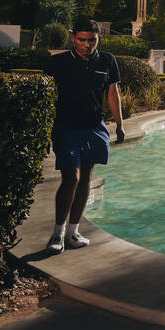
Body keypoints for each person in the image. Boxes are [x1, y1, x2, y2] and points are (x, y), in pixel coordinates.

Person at [43, 19, 123, 253]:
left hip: (94, 127)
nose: (86, 44)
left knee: (87, 177)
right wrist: (44, 130)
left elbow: (112, 93)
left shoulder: (108, 61)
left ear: (99, 38)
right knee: (71, 178)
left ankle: (73, 231)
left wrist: (119, 123)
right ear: (72, 37)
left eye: (92, 40)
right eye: (81, 40)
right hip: (65, 127)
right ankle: (57, 234)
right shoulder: (57, 63)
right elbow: (46, 97)